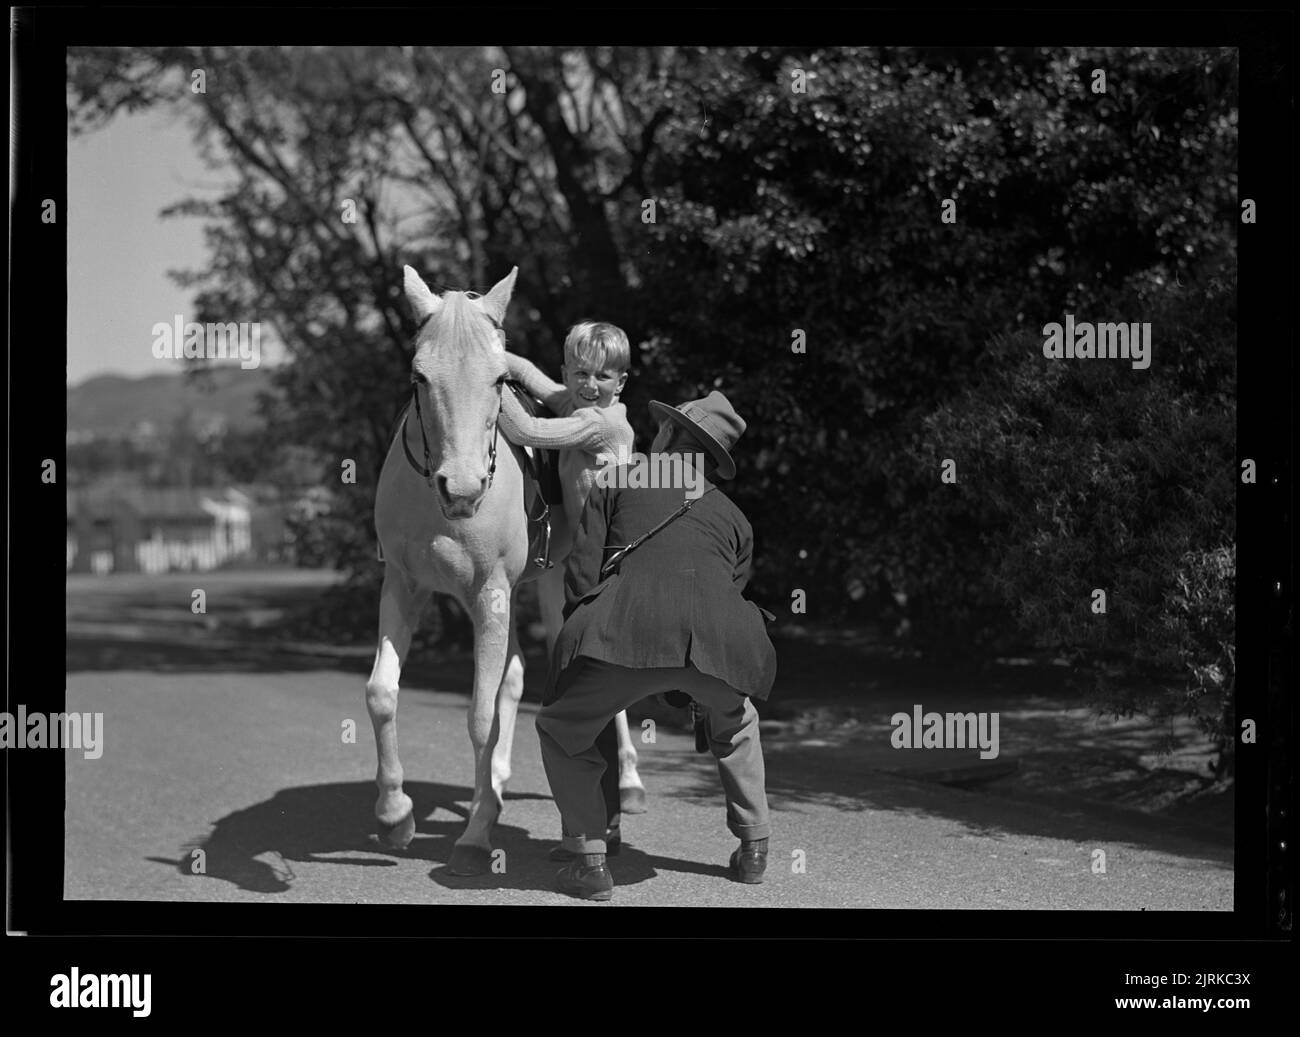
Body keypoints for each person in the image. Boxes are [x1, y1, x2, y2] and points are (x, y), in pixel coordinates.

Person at [535, 391, 777, 901]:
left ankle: (590, 860)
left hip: (621, 635)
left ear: (668, 435)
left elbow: (580, 578)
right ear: (712, 460)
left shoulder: (618, 481)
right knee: (737, 724)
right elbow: (728, 596)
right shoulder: (735, 517)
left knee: (560, 728)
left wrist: (579, 655)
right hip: (717, 651)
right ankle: (754, 847)